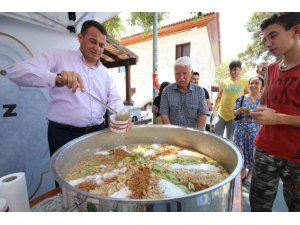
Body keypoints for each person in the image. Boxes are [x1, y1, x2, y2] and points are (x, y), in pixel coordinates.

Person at [7, 20, 126, 157]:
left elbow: (114, 100)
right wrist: (56, 78)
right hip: (64, 135)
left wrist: (122, 116)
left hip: (97, 133)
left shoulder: (105, 73)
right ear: (80, 38)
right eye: (92, 41)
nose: (97, 48)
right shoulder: (57, 56)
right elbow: (14, 72)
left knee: (98, 176)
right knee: (64, 177)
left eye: (101, 45)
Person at [249, 12, 300, 212]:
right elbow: (264, 103)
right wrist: (258, 111)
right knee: (258, 207)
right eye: (265, 39)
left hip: (295, 157)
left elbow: (275, 115)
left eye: (273, 35)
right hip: (264, 149)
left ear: (296, 31)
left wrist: (277, 118)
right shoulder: (271, 69)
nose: (268, 44)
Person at [160, 56, 208, 129]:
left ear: (191, 73)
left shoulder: (199, 91)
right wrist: (172, 133)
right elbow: (164, 114)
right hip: (173, 135)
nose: (181, 77)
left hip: (193, 135)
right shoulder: (166, 91)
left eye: (185, 73)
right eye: (178, 73)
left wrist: (199, 134)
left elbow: (202, 114)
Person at [233, 76, 264, 185]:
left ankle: (250, 174)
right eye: (251, 83)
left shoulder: (265, 100)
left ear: (261, 86)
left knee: (253, 153)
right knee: (240, 152)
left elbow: (267, 115)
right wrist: (240, 110)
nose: (253, 85)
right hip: (240, 130)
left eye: (256, 83)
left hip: (256, 131)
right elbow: (234, 113)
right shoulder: (241, 98)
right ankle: (242, 172)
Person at [212, 60, 249, 139]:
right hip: (221, 114)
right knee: (217, 138)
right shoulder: (224, 81)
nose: (233, 72)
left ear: (240, 70)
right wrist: (214, 109)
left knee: (230, 140)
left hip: (234, 116)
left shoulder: (245, 82)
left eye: (235, 69)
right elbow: (219, 96)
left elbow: (248, 97)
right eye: (231, 70)